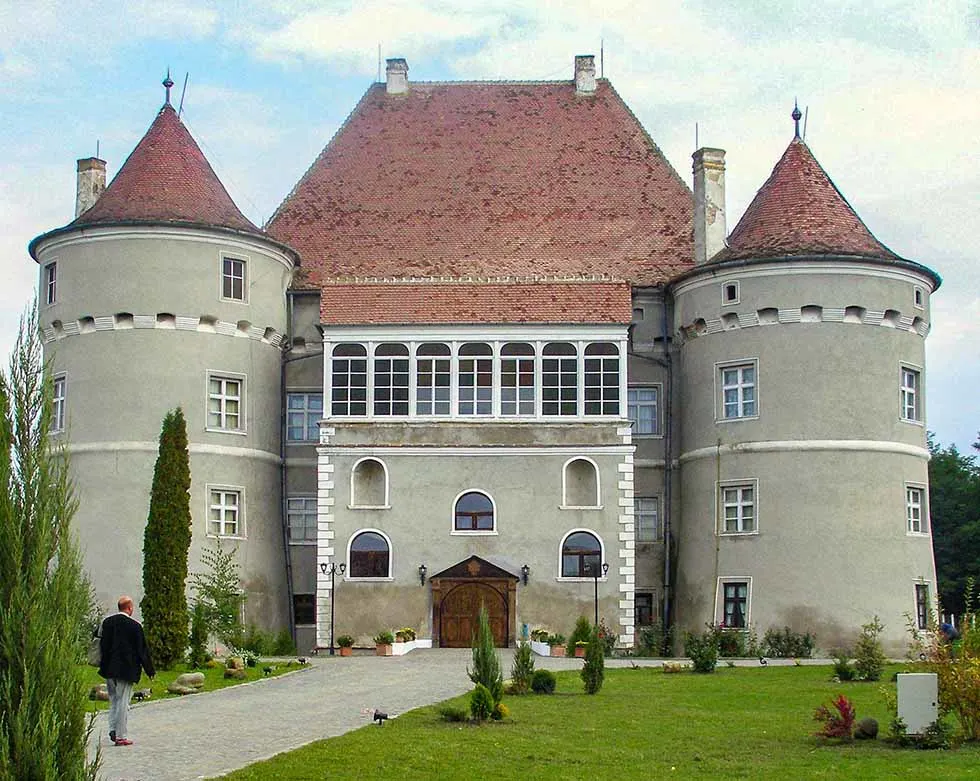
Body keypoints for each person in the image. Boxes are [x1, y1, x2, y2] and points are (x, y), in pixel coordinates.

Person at [98, 595, 155, 746]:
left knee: (114, 700)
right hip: (126, 669)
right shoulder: (135, 626)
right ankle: (120, 735)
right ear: (129, 608)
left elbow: (100, 643)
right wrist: (150, 670)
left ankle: (112, 729)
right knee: (123, 701)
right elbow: (142, 650)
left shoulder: (107, 623)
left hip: (108, 668)